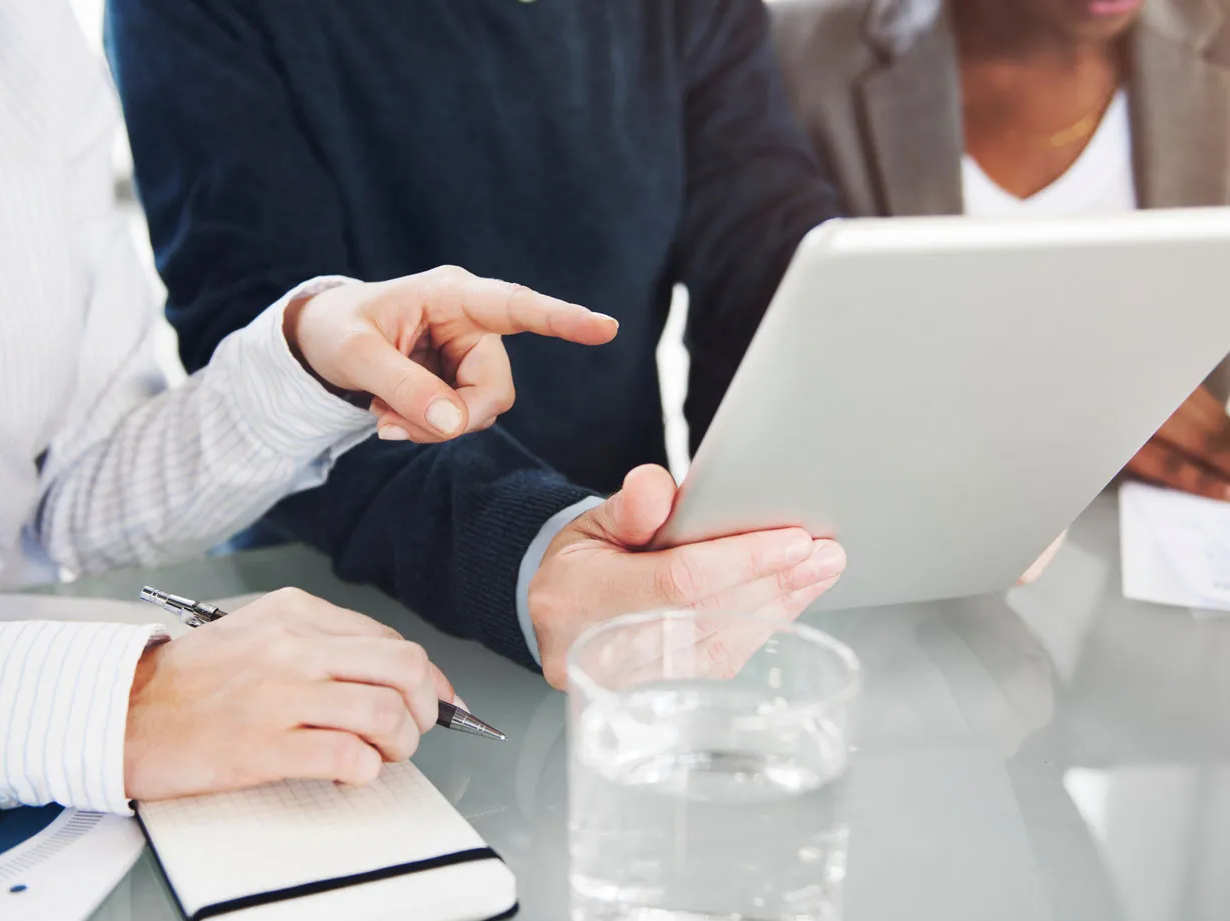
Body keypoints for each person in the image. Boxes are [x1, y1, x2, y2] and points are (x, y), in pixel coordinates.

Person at [0, 0, 644, 817]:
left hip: (38, 794)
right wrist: (118, 705)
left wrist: (306, 365)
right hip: (30, 757)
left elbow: (71, 502)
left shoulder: (19, 36)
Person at [104, 0, 850, 683]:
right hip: (326, 606)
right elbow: (263, 345)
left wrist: (762, 505)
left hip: (638, 576)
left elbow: (759, 254)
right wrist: (533, 554)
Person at [771, 0, 1230, 500]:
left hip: (1169, 547)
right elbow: (766, 390)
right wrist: (1062, 410)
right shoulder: (794, 59)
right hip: (909, 525)